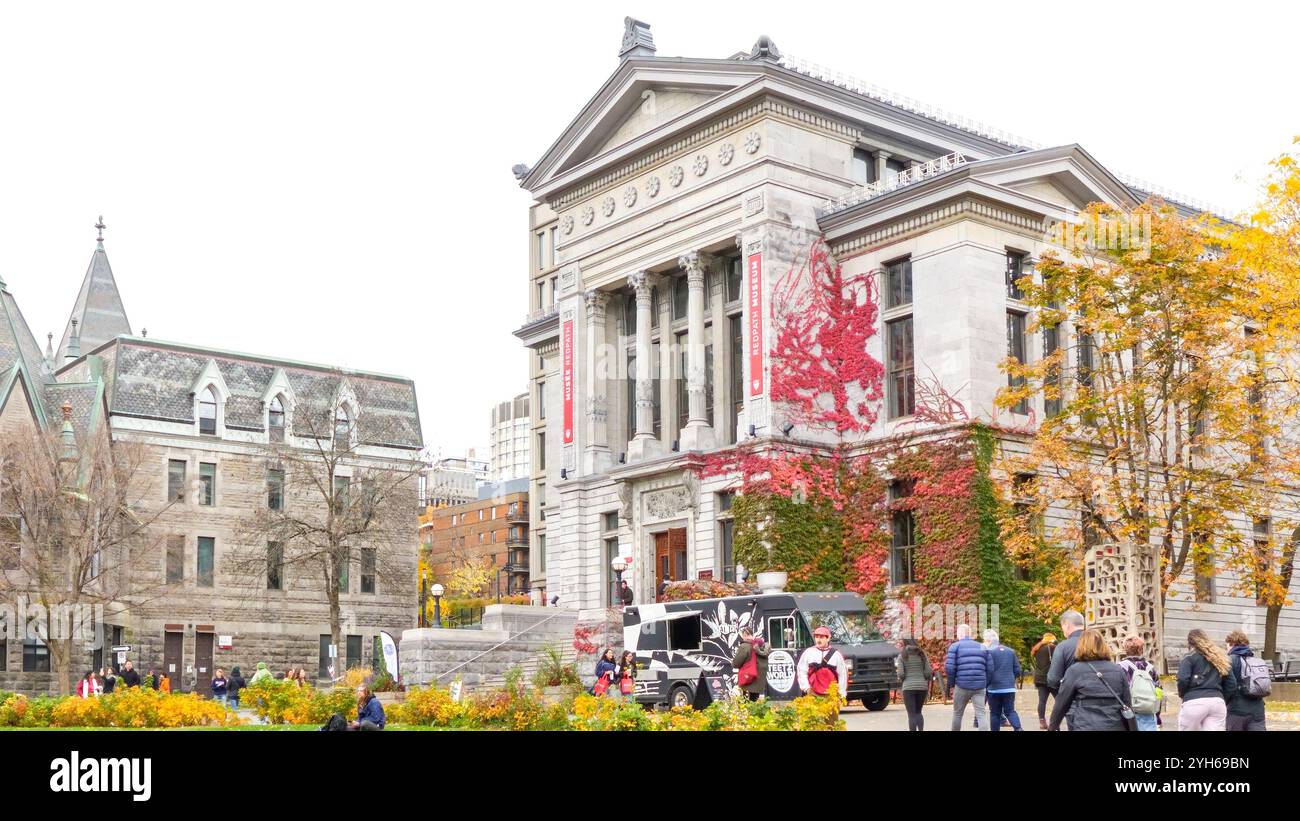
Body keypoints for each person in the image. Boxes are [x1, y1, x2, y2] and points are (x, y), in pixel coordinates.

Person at [1049, 629, 1132, 731]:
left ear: (1081, 646)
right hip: (1115, 725)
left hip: (1085, 724)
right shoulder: (1117, 669)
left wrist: (1052, 727)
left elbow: (1061, 704)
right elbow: (1127, 702)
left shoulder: (1075, 671)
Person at [1177, 628, 1237, 731]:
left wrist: (1184, 695)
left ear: (1190, 643)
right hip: (1217, 703)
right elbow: (1231, 683)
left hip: (1194, 701)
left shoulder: (1189, 658)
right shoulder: (1221, 658)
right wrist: (1222, 697)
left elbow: (1182, 679)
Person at [944, 623, 991, 731]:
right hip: (979, 686)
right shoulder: (982, 647)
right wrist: (985, 682)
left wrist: (952, 683)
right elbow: (990, 668)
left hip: (961, 685)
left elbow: (950, 668)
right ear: (970, 634)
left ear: (959, 634)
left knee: (957, 714)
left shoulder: (955, 647)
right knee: (981, 714)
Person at [1045, 610, 1086, 728]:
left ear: (1067, 625)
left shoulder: (1063, 647)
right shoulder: (1099, 643)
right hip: (1102, 702)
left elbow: (1053, 679)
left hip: (1074, 702)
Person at [1118, 634, 1162, 731]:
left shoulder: (1120, 667)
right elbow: (1159, 692)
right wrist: (1158, 717)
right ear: (1141, 650)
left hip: (1128, 714)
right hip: (1148, 712)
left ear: (1125, 649)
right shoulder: (1150, 668)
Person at [1225, 630, 1267, 731]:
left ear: (1232, 644)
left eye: (1226, 645)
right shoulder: (1255, 660)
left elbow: (1229, 685)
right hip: (1258, 710)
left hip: (1237, 711)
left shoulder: (1230, 660)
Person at [984, 630, 1022, 731]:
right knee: (1010, 711)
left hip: (993, 688)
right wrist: (1011, 680)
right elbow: (1018, 670)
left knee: (995, 713)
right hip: (1009, 688)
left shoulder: (988, 652)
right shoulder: (1010, 651)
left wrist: (986, 684)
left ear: (989, 640)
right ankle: (1018, 729)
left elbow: (988, 670)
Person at [797, 625, 847, 700]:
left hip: (831, 694)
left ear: (828, 638)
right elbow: (801, 671)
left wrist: (841, 693)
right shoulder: (808, 653)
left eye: (821, 637)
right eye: (817, 637)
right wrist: (806, 688)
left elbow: (842, 674)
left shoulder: (836, 655)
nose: (818, 640)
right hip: (813, 693)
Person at [895, 638, 932, 732]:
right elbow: (928, 672)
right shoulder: (922, 655)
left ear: (905, 643)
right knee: (918, 712)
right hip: (922, 687)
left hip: (908, 688)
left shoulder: (902, 656)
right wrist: (922, 679)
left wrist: (905, 680)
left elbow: (901, 674)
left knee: (911, 715)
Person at [732, 627, 770, 702]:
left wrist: (733, 663)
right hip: (758, 681)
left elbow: (736, 663)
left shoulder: (745, 646)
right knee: (754, 702)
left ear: (745, 635)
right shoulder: (761, 645)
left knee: (746, 704)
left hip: (748, 679)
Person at [1030, 633, 1055, 730]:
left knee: (1042, 701)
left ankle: (1042, 722)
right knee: (1060, 700)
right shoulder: (1053, 648)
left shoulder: (1037, 649)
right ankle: (1055, 720)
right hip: (1051, 677)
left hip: (1040, 678)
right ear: (1051, 640)